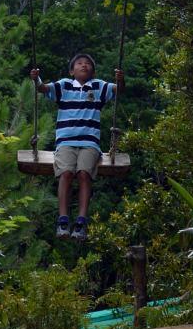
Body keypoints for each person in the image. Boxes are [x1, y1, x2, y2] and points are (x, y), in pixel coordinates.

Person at [30, 53, 125, 242]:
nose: (84, 65)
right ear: (72, 71)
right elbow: (43, 88)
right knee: (66, 173)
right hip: (65, 142)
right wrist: (36, 79)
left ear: (93, 71)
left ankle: (81, 220)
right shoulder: (64, 85)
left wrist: (120, 80)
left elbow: (118, 90)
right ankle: (63, 220)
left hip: (90, 143)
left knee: (83, 174)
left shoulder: (98, 86)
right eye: (80, 63)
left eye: (88, 64)